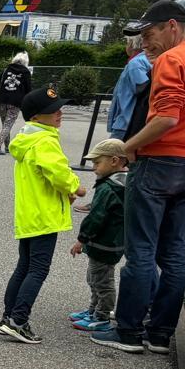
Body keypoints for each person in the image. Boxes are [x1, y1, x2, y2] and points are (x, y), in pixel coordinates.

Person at [92, 0, 185, 355]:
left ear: (172, 26)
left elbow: (166, 118)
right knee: (174, 253)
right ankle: (160, 334)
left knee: (141, 250)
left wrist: (127, 148)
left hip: (157, 164)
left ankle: (128, 331)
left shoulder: (172, 60)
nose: (145, 43)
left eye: (149, 33)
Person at [0, 86, 81, 344]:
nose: (59, 113)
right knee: (38, 269)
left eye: (59, 108)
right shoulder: (45, 141)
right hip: (44, 216)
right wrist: (75, 186)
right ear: (35, 117)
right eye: (52, 111)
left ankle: (8, 317)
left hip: (29, 214)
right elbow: (57, 172)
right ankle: (18, 321)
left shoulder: (27, 139)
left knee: (24, 266)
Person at [67, 139, 129, 332]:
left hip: (104, 243)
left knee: (101, 281)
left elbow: (96, 216)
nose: (94, 168)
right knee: (96, 277)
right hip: (113, 242)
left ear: (114, 161)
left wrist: (81, 239)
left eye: (97, 163)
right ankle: (94, 310)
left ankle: (101, 316)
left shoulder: (108, 187)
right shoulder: (124, 182)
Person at [108, 35, 151, 141]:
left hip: (126, 124)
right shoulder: (150, 60)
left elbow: (144, 91)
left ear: (133, 44)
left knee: (110, 155)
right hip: (135, 123)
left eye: (127, 43)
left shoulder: (136, 63)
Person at [0, 51, 32, 154]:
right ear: (26, 61)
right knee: (8, 124)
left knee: (5, 124)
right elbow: (28, 89)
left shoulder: (6, 70)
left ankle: (7, 147)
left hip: (1, 100)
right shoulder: (26, 72)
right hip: (15, 102)